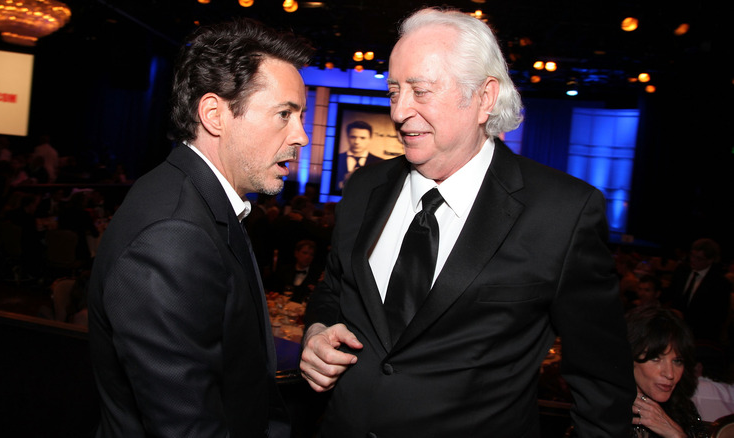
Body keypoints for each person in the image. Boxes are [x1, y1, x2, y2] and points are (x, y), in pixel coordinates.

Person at [300, 7, 635, 437]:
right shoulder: (365, 187)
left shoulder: (561, 213)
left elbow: (602, 383)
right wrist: (317, 330)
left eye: (420, 91)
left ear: (485, 97)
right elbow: (334, 289)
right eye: (394, 91)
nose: (400, 111)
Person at [87, 18, 313, 438]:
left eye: (300, 116)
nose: (300, 135)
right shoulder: (173, 234)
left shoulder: (193, 197)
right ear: (214, 114)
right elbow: (186, 426)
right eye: (285, 114)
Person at [627, 306, 708, 437]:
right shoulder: (603, 411)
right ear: (630, 358)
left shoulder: (683, 409)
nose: (670, 374)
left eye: (677, 361)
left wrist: (675, 433)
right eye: (655, 358)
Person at [666, 238, 732, 344]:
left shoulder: (720, 283)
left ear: (710, 260)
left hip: (701, 335)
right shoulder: (682, 271)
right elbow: (671, 295)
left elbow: (718, 316)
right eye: (692, 256)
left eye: (699, 258)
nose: (693, 260)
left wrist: (686, 319)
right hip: (674, 329)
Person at [336, 120, 382, 190]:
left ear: (370, 139)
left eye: (362, 138)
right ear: (347, 137)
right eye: (353, 137)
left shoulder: (380, 163)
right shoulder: (336, 159)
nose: (357, 142)